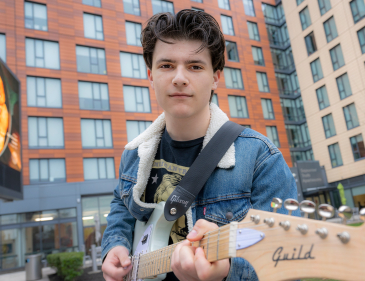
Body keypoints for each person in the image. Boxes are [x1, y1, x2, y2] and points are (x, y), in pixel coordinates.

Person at [100, 9, 299, 281]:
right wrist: (115, 244)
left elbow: (288, 260)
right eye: (166, 65)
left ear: (216, 77)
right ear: (150, 74)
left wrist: (229, 271)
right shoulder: (135, 154)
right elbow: (121, 205)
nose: (179, 77)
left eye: (195, 66)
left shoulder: (261, 159)